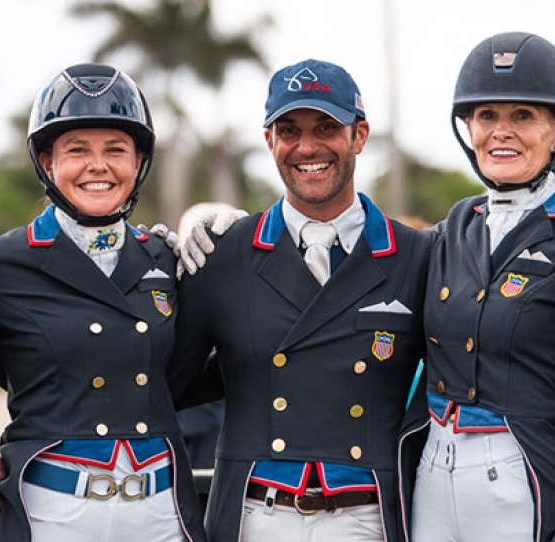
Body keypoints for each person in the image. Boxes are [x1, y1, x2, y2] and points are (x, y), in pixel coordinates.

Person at [167, 59, 431, 542]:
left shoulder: (417, 256)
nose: (307, 147)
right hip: (254, 515)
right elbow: (164, 385)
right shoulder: (223, 256)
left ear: (360, 135)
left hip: (370, 515)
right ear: (270, 141)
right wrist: (157, 261)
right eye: (289, 130)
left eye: (326, 127)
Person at [410, 32, 555, 542]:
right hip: (429, 481)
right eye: (487, 116)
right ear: (468, 127)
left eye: (522, 116)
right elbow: (356, 266)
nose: (500, 133)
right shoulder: (448, 234)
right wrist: (233, 235)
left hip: (519, 483)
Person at [0, 63, 206, 542]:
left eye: (115, 150)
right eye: (77, 150)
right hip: (53, 512)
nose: (97, 166)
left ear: (139, 162)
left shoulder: (167, 257)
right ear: (47, 163)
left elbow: (195, 372)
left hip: (160, 512)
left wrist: (233, 249)